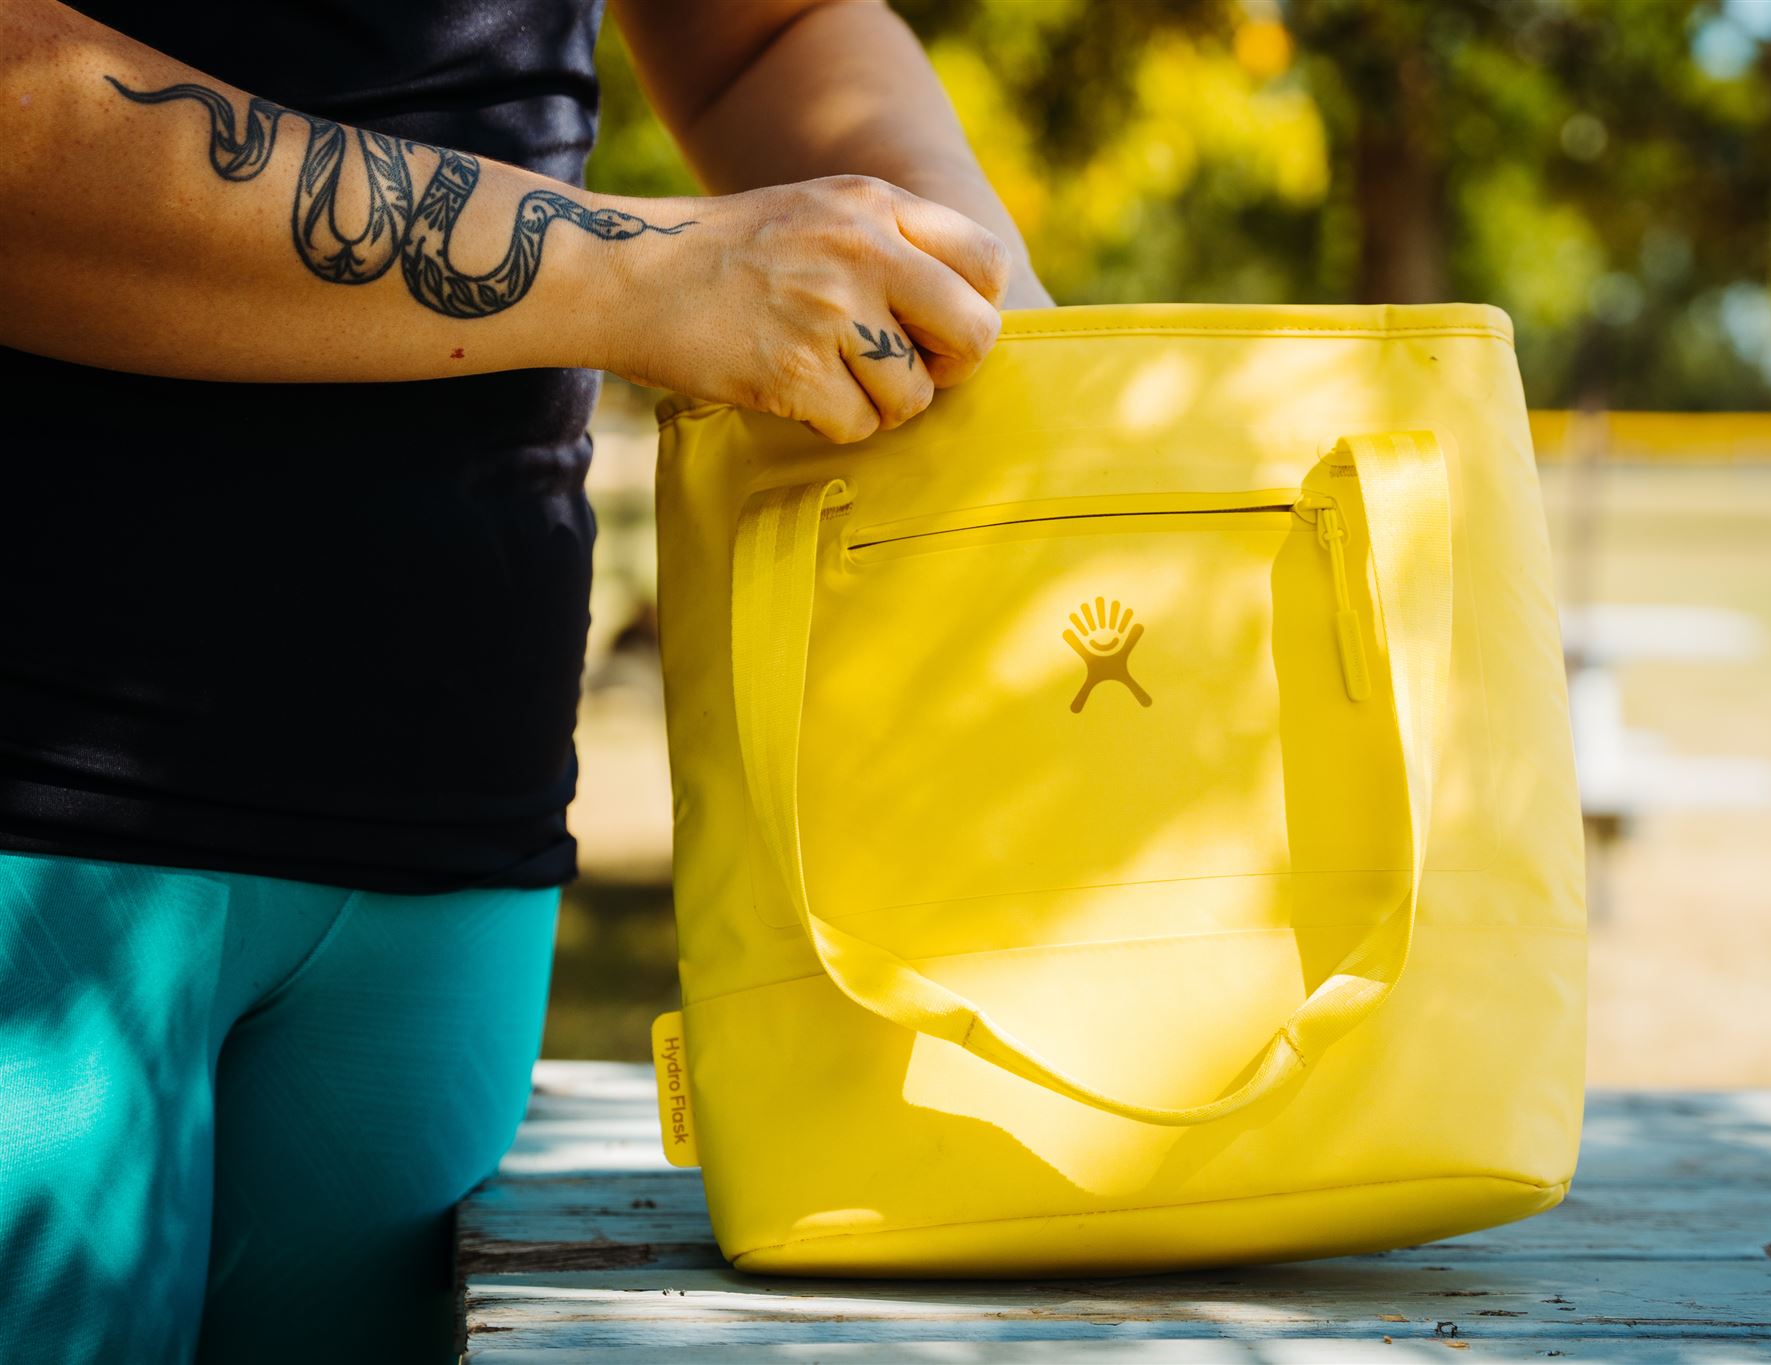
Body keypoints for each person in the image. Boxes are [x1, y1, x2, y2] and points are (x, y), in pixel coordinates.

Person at [0, 0, 1051, 1358]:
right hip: (43, 799)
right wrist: (647, 272)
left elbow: (764, 38)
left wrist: (997, 332)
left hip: (449, 817)